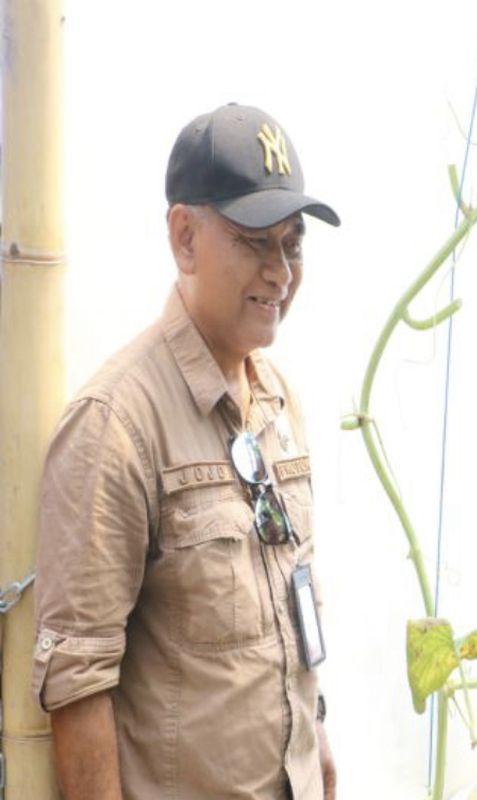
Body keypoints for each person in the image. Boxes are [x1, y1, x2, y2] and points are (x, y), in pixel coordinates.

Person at [33, 104, 339, 799]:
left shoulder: (279, 401)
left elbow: (290, 611)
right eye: (256, 240)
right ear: (184, 237)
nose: (280, 272)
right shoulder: (116, 424)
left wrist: (314, 727)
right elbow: (78, 686)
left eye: (292, 243)